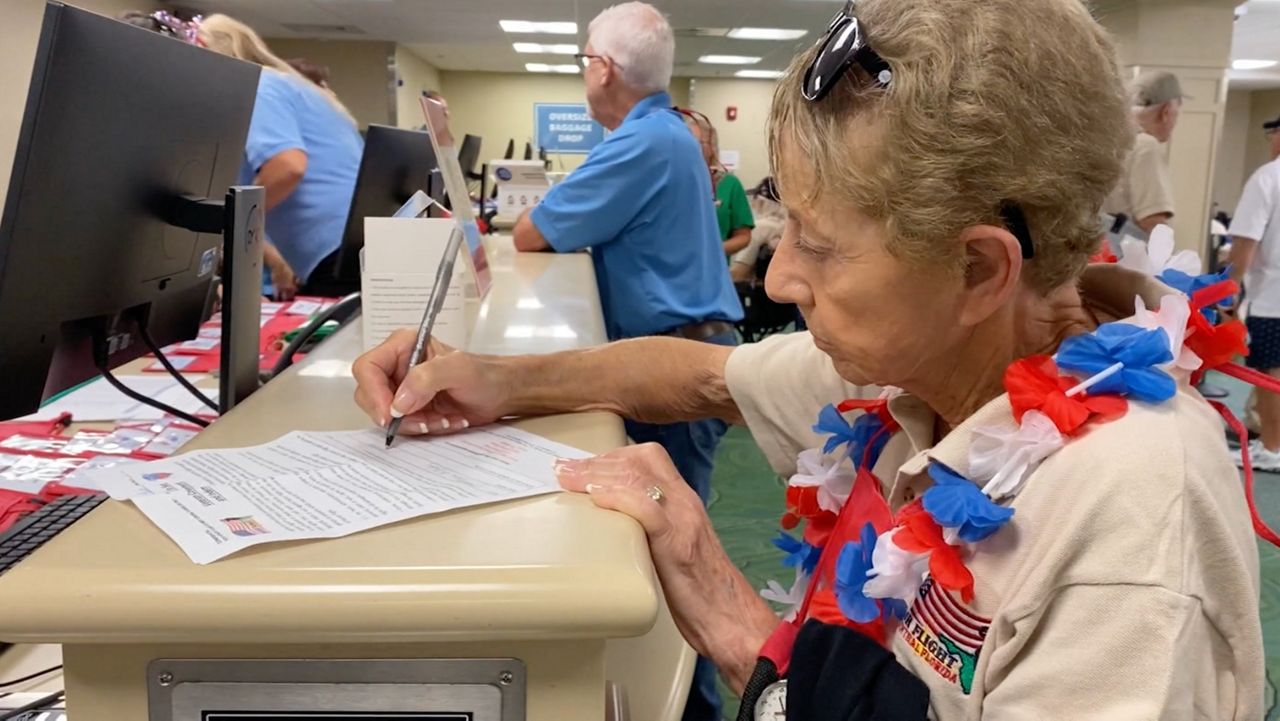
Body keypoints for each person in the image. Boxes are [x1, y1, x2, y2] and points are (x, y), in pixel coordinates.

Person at [354, 0, 1263, 717]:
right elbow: (700, 376)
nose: (779, 277)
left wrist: (733, 617)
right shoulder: (917, 366)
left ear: (979, 268)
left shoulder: (1132, 529)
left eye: (820, 245)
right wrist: (497, 380)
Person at [509, 4, 741, 718]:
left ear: (602, 70)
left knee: (675, 557)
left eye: (586, 61)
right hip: (687, 343)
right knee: (673, 543)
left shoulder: (641, 142)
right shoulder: (661, 135)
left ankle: (696, 707)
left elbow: (528, 233)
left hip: (676, 360)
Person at [197, 15, 364, 300]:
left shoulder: (257, 89)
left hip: (333, 249)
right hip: (350, 242)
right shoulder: (293, 87)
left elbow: (287, 167)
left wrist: (226, 226)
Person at [1228, 115, 1280, 470]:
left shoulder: (1267, 178)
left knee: (1269, 372)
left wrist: (1228, 290)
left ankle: (1273, 447)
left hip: (1271, 298)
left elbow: (1246, 242)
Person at [1102, 71, 1185, 240]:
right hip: (1128, 260)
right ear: (1166, 112)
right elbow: (1153, 222)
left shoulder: (1110, 143)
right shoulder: (1146, 147)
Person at [682, 109, 755, 255]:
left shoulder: (729, 184)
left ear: (712, 148)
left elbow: (743, 236)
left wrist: (713, 252)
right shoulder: (670, 182)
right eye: (686, 141)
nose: (691, 147)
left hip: (713, 271)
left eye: (698, 143)